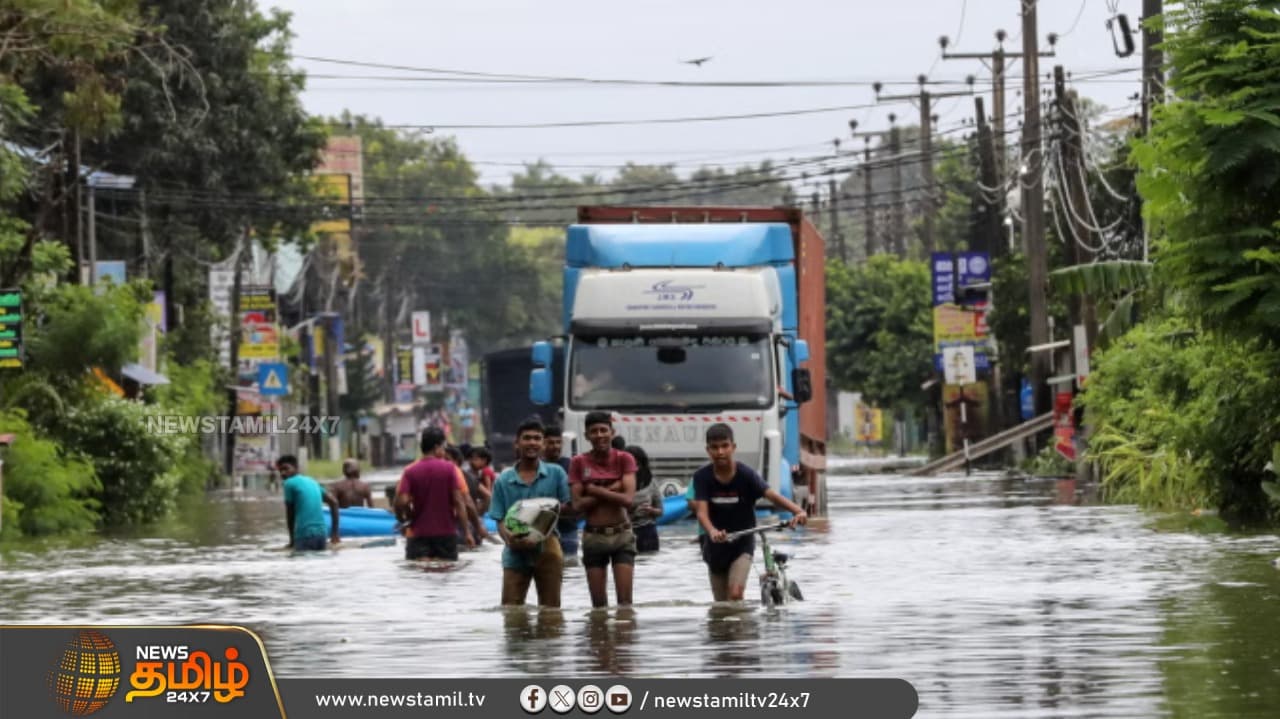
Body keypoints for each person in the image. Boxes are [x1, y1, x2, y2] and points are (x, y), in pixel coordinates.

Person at [692, 423, 808, 602]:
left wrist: (798, 511)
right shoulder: (702, 477)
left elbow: (772, 496)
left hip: (742, 543)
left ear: (733, 447)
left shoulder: (747, 475)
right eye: (715, 448)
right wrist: (713, 531)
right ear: (708, 451)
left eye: (725, 446)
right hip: (715, 545)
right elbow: (701, 513)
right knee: (721, 605)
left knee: (736, 594)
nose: (720, 452)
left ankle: (742, 629)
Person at [488, 417, 573, 607]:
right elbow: (499, 519)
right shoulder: (504, 479)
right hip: (514, 550)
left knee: (551, 612)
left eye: (537, 438)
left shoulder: (556, 473)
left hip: (548, 545)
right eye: (527, 438)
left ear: (543, 444)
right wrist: (510, 539)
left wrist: (547, 512)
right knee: (511, 612)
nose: (532, 442)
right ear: (517, 443)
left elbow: (569, 507)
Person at [570, 411, 637, 607]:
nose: (599, 435)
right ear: (586, 436)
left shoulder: (624, 459)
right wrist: (611, 489)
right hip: (594, 537)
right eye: (594, 431)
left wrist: (594, 490)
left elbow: (627, 500)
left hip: (622, 535)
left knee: (625, 605)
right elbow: (577, 505)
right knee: (598, 607)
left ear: (612, 432)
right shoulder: (579, 462)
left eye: (603, 430)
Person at [395, 428, 476, 560]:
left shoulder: (410, 471)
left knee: (418, 574)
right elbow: (459, 502)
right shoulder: (450, 469)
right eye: (443, 446)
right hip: (446, 535)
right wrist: (467, 532)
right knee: (445, 574)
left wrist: (404, 518)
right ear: (437, 447)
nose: (444, 450)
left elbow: (401, 502)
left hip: (418, 535)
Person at [277, 455, 340, 551]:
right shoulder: (312, 481)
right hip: (322, 535)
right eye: (280, 470)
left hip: (305, 535)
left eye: (286, 469)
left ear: (296, 468)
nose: (283, 473)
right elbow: (334, 502)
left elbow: (290, 514)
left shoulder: (288, 483)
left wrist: (292, 541)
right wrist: (335, 534)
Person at [542, 423, 579, 556]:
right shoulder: (537, 466)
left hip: (568, 528)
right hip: (543, 529)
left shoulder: (571, 464)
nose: (555, 446)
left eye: (558, 442)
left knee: (571, 566)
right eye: (551, 442)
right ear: (543, 443)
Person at [445, 445, 490, 545]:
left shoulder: (453, 477)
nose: (442, 462)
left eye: (446, 459)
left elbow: (466, 502)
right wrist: (479, 515)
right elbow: (487, 496)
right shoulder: (471, 477)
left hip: (459, 525)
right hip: (474, 524)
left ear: (456, 461)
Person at [626, 445, 663, 553]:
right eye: (631, 464)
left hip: (648, 531)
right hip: (626, 532)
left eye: (637, 464)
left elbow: (661, 511)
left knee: (650, 564)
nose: (635, 468)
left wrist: (650, 510)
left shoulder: (651, 482)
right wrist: (633, 513)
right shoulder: (619, 484)